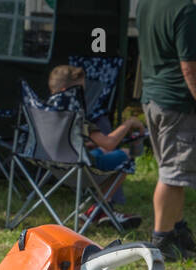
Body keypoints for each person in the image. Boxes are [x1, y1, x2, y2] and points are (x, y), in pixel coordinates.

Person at [137, 0, 196, 261]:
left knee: (173, 174)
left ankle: (176, 232)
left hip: (154, 99)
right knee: (173, 175)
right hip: (178, 104)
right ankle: (162, 241)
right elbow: (191, 68)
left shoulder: (146, 4)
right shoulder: (184, 10)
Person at [47, 64, 144, 230]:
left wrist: (86, 143)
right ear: (67, 91)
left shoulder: (43, 111)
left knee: (104, 151)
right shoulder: (76, 116)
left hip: (50, 165)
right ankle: (98, 208)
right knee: (126, 155)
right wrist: (129, 123)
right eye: (80, 91)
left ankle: (99, 210)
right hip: (77, 169)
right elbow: (109, 142)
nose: (82, 96)